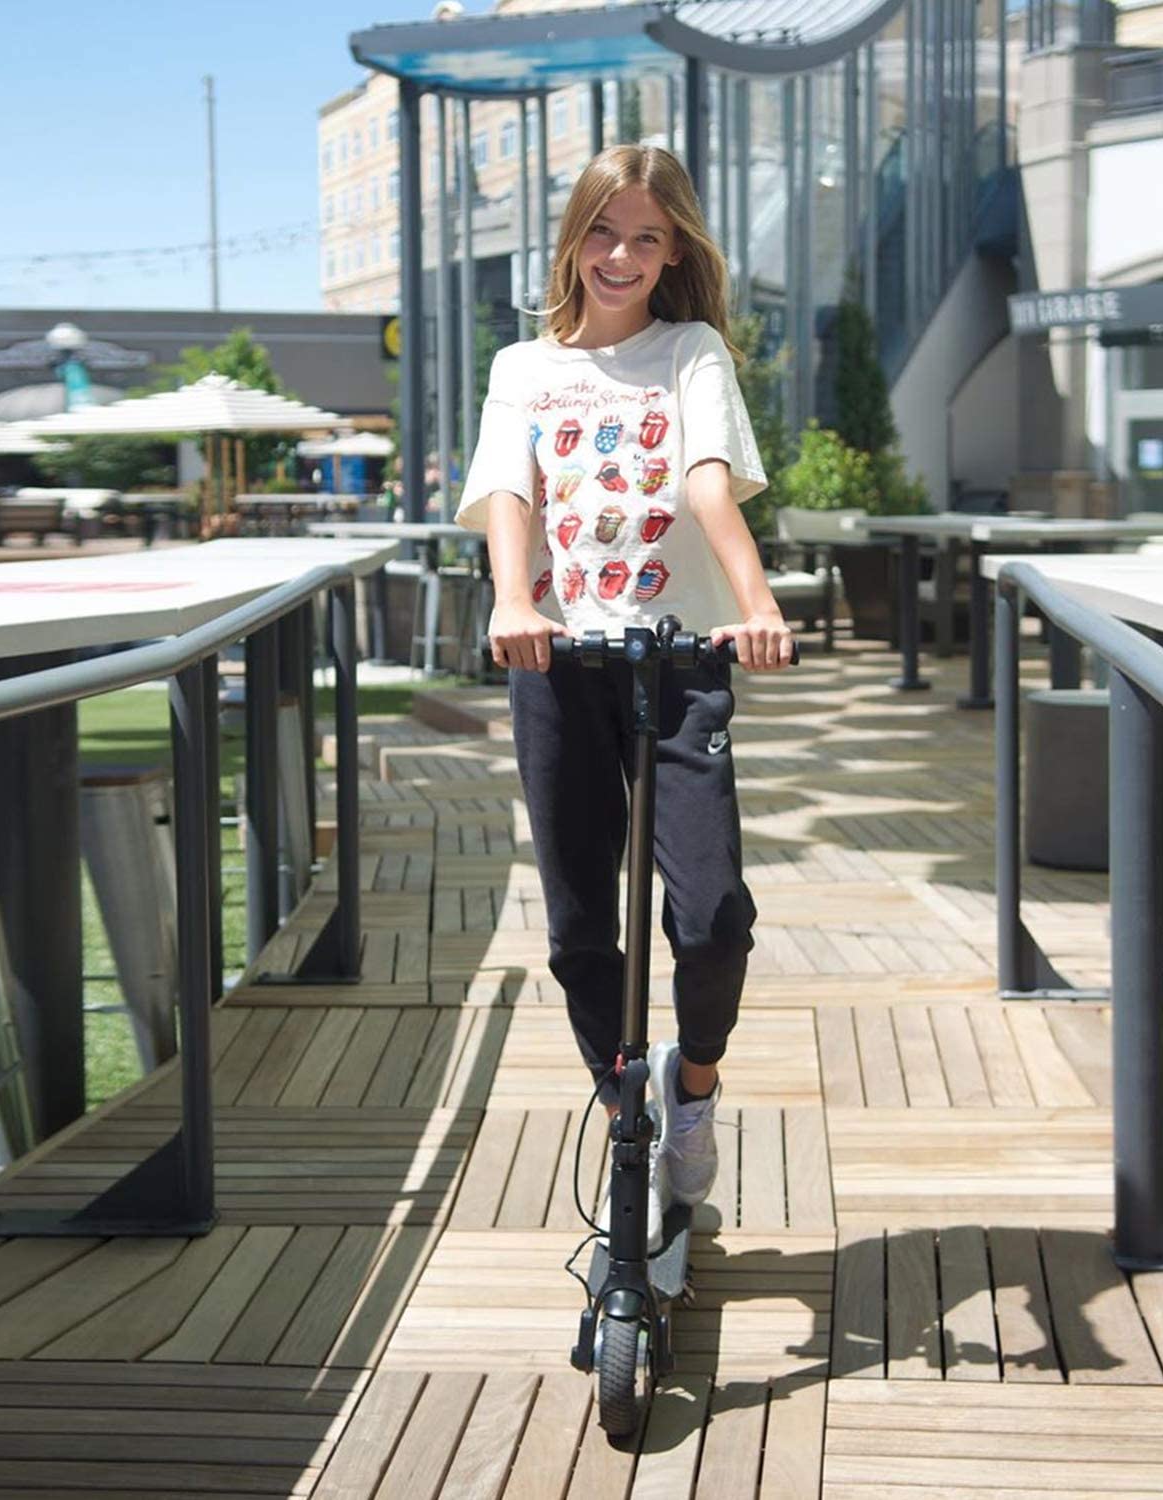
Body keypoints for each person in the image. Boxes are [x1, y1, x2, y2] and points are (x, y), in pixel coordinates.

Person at [456, 144, 793, 1248]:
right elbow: (509, 493)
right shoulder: (523, 368)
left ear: (675, 251)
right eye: (604, 231)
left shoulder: (691, 352)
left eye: (648, 238)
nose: (621, 256)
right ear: (574, 238)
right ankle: (624, 1111)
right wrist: (516, 600)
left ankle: (692, 1088)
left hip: (678, 661)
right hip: (555, 662)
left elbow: (707, 485)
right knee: (578, 927)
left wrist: (757, 602)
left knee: (712, 918)